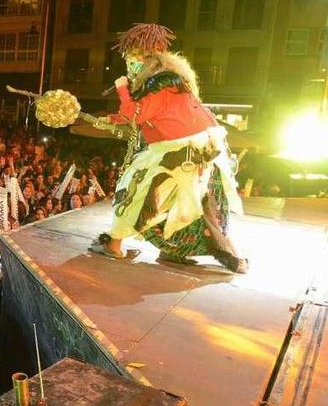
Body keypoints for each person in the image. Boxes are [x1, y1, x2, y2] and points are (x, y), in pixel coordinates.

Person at [90, 23, 247, 273]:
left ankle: (114, 245)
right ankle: (181, 249)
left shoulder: (158, 84)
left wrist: (121, 87)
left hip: (180, 150)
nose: (129, 68)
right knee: (189, 204)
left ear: (145, 60)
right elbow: (144, 115)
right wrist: (110, 119)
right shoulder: (171, 83)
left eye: (132, 61)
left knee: (133, 189)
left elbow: (136, 113)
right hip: (201, 148)